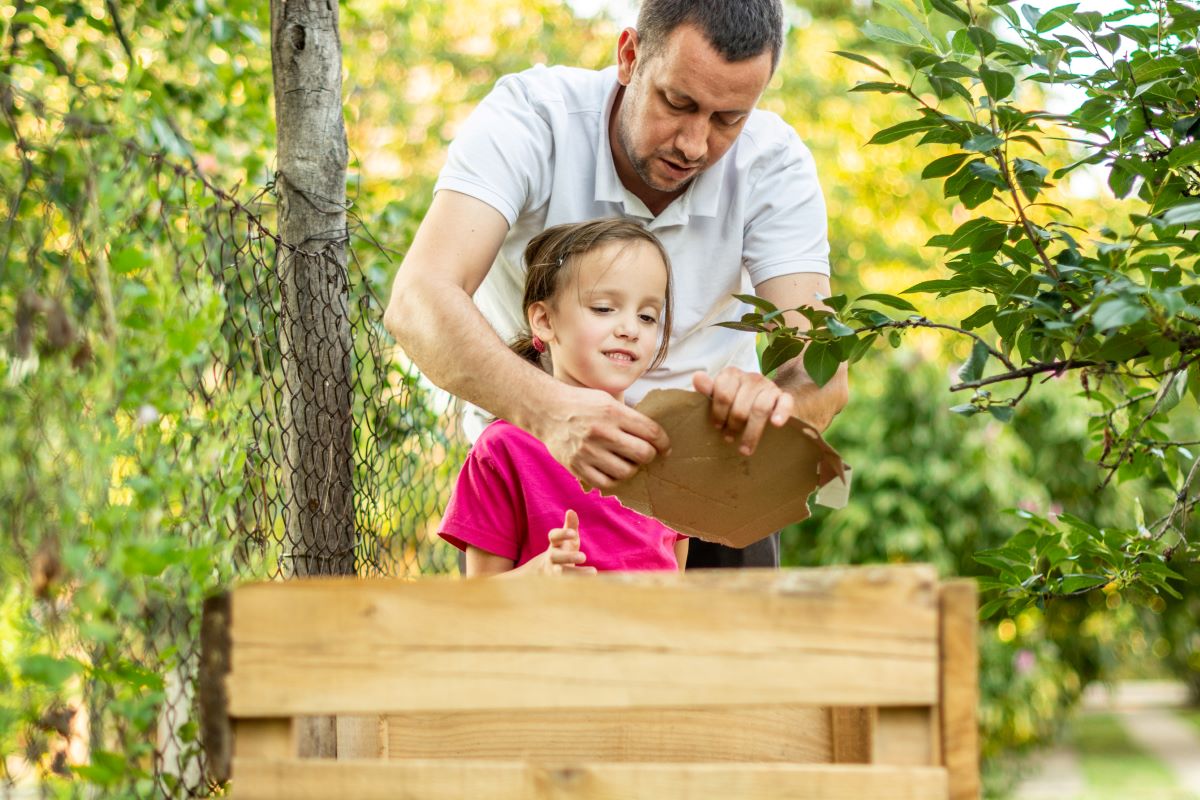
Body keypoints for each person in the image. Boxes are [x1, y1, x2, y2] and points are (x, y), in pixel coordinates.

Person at [385, 0, 848, 568]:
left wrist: (776, 406)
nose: (694, 145)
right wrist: (551, 412)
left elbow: (822, 368)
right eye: (678, 103)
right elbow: (419, 299)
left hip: (716, 496)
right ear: (629, 56)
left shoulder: (775, 164)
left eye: (729, 119)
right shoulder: (532, 116)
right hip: (541, 483)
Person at [439, 219, 688, 576]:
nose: (630, 329)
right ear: (544, 320)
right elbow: (479, 600)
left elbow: (677, 583)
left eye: (648, 316)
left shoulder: (664, 446)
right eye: (604, 308)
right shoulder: (501, 451)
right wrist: (539, 576)